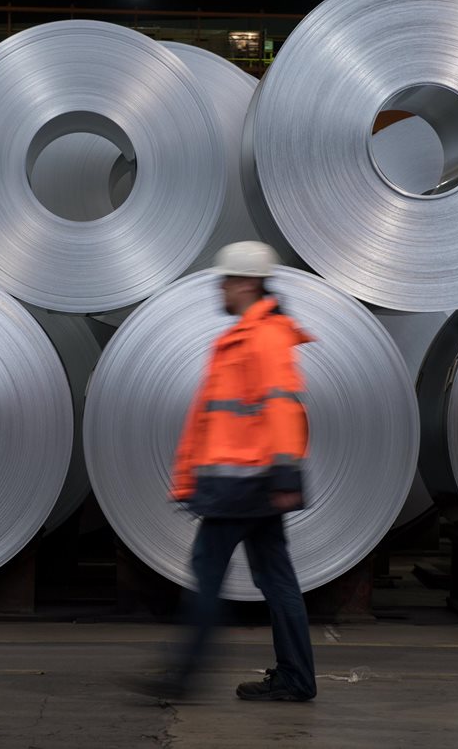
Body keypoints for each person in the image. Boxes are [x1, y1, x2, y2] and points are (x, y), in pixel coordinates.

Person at [131, 241, 317, 703]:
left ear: (249, 282)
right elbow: (214, 418)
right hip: (247, 484)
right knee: (276, 580)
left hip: (245, 486)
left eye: (227, 279)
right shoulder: (246, 336)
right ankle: (296, 678)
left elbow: (281, 408)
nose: (221, 286)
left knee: (208, 571)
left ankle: (184, 675)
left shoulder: (264, 338)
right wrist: (191, 479)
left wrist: (284, 475)